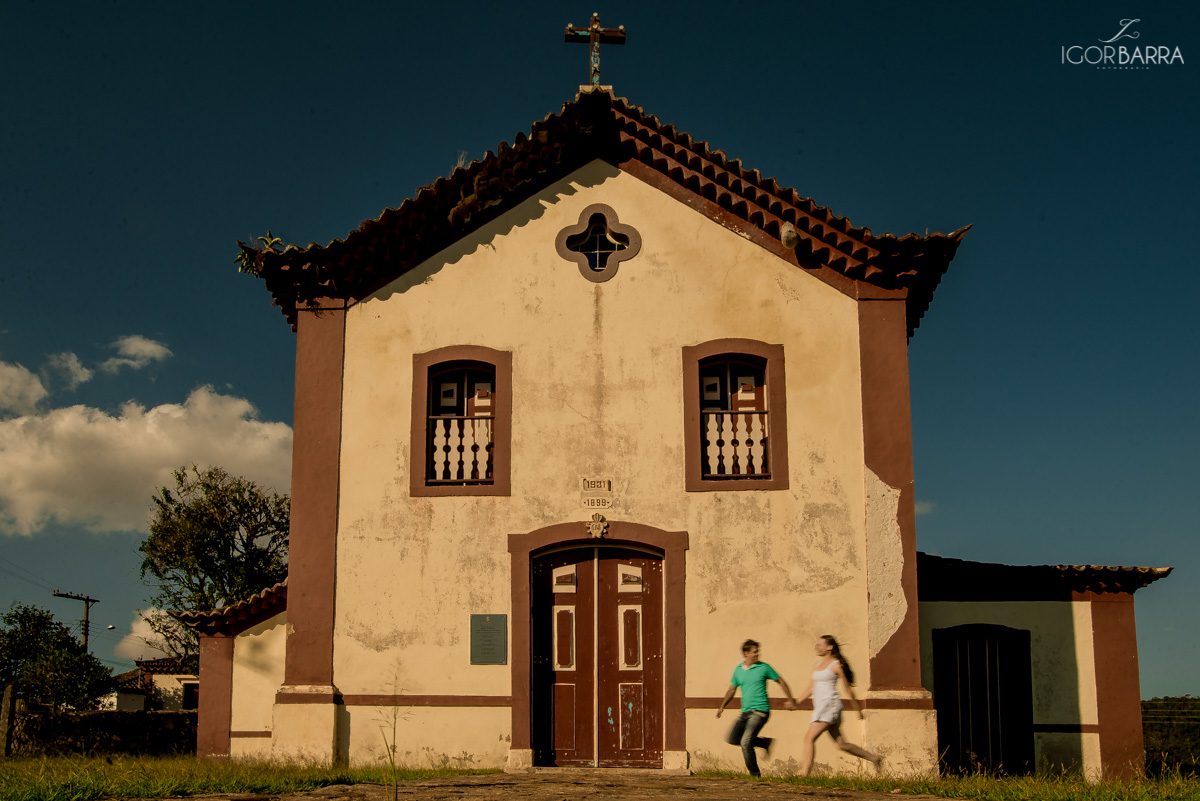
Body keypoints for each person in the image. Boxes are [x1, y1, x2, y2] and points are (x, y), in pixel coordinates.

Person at [795, 634, 882, 776]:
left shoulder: (836, 665)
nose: (817, 647)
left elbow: (848, 689)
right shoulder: (816, 666)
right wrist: (796, 702)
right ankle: (874, 758)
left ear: (829, 647)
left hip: (830, 705)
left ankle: (805, 774)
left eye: (820, 644)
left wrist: (857, 709)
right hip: (821, 707)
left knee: (809, 738)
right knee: (841, 745)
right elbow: (810, 688)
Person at [715, 639, 797, 777]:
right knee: (732, 738)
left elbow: (781, 681)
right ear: (746, 654)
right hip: (745, 712)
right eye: (755, 652)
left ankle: (755, 775)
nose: (758, 654)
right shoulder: (738, 670)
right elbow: (731, 689)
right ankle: (764, 742)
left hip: (760, 711)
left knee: (745, 743)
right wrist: (722, 706)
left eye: (758, 651)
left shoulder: (764, 667)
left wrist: (791, 700)